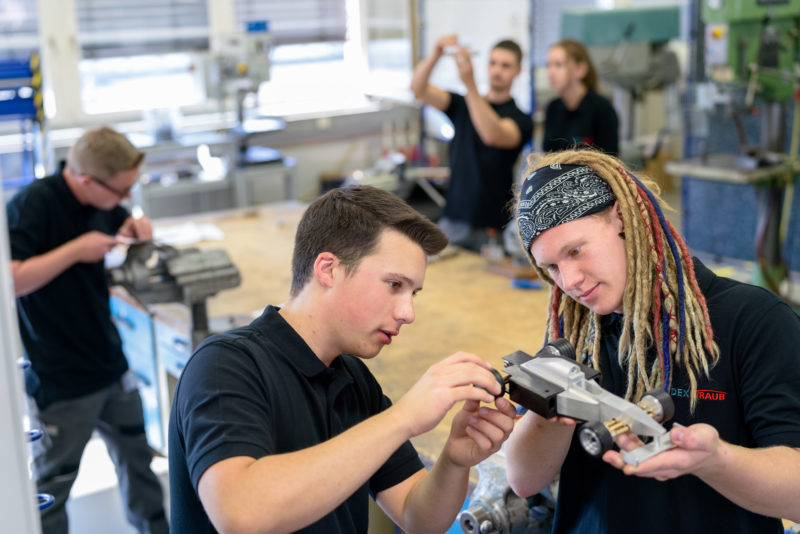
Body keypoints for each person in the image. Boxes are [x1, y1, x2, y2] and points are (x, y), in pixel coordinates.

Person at [168, 185, 517, 533]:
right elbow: (241, 514)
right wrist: (403, 418)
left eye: (414, 293)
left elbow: (419, 518)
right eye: (394, 284)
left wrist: (454, 461)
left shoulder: (353, 380)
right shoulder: (225, 366)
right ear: (328, 269)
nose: (408, 312)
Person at [504, 149, 800, 533]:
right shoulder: (577, 330)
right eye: (552, 267)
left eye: (576, 251)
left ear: (623, 218)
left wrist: (714, 461)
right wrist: (555, 410)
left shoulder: (753, 320)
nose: (570, 281)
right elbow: (525, 480)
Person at [6, 126, 168, 533]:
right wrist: (77, 250)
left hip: (110, 363)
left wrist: (132, 227)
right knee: (51, 489)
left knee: (139, 464)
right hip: (60, 378)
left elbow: (116, 222)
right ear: (85, 180)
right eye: (120, 191)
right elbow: (11, 279)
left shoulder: (103, 198)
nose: (125, 199)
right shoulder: (32, 206)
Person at [411, 34, 533, 251]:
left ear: (518, 71)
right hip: (454, 217)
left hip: (492, 226)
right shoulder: (461, 104)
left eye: (506, 66)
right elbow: (418, 89)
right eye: (493, 63)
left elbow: (491, 134)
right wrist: (435, 55)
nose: (497, 71)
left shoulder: (520, 119)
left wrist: (470, 85)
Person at [543, 39, 619, 156]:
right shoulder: (552, 108)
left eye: (558, 65)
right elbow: (548, 155)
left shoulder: (602, 109)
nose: (550, 72)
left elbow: (611, 161)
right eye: (548, 65)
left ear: (580, 69)